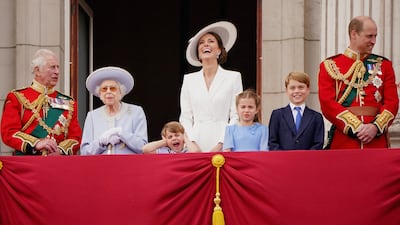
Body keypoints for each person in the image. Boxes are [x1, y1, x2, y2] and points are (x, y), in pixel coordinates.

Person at [318, 16, 399, 149]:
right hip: (344, 141)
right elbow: (327, 104)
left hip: (376, 142)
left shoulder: (384, 65)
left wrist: (375, 127)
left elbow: (392, 103)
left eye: (375, 36)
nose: (373, 41)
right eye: (369, 36)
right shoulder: (330, 66)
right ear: (354, 34)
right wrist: (356, 127)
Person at [0, 49, 82, 156]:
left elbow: (76, 137)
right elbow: (8, 132)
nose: (57, 71)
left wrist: (61, 150)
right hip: (27, 163)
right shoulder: (17, 97)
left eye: (58, 67)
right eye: (52, 67)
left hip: (58, 164)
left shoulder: (69, 102)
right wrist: (36, 143)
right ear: (37, 70)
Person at [179, 21, 243, 153]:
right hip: (195, 143)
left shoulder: (233, 77)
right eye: (201, 42)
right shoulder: (189, 80)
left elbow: (236, 114)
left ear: (219, 49)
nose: (206, 44)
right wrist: (191, 143)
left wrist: (222, 144)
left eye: (211, 41)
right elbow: (185, 116)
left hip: (224, 142)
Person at [80, 66, 148, 155]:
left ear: (121, 92)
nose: (108, 92)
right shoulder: (92, 116)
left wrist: (122, 133)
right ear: (100, 94)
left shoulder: (136, 112)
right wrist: (100, 142)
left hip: (129, 166)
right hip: (100, 167)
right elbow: (84, 152)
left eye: (113, 88)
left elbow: (143, 147)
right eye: (104, 89)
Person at [269, 72, 324, 150]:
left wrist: (303, 158)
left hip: (307, 161)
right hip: (283, 160)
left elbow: (318, 143)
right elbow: (272, 142)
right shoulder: (277, 115)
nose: (297, 91)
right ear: (286, 90)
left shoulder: (316, 117)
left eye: (301, 87)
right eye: (292, 88)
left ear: (308, 90)